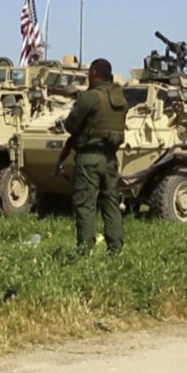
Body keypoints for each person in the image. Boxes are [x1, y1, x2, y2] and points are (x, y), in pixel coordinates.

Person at [61, 58, 127, 253]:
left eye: (90, 73)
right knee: (111, 203)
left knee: (85, 204)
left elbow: (70, 125)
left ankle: (85, 249)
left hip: (89, 157)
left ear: (95, 74)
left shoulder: (90, 97)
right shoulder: (119, 98)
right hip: (111, 158)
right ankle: (115, 248)